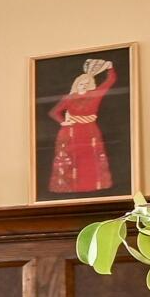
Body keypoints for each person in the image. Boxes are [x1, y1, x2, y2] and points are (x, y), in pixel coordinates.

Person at [48, 55, 118, 195]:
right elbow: (54, 112)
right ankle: (72, 188)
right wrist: (64, 121)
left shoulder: (95, 94)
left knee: (90, 160)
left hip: (89, 131)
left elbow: (110, 81)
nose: (83, 86)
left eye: (87, 84)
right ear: (76, 84)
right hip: (71, 132)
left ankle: (92, 187)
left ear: (91, 85)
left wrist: (110, 68)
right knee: (72, 160)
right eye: (81, 84)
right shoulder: (69, 98)